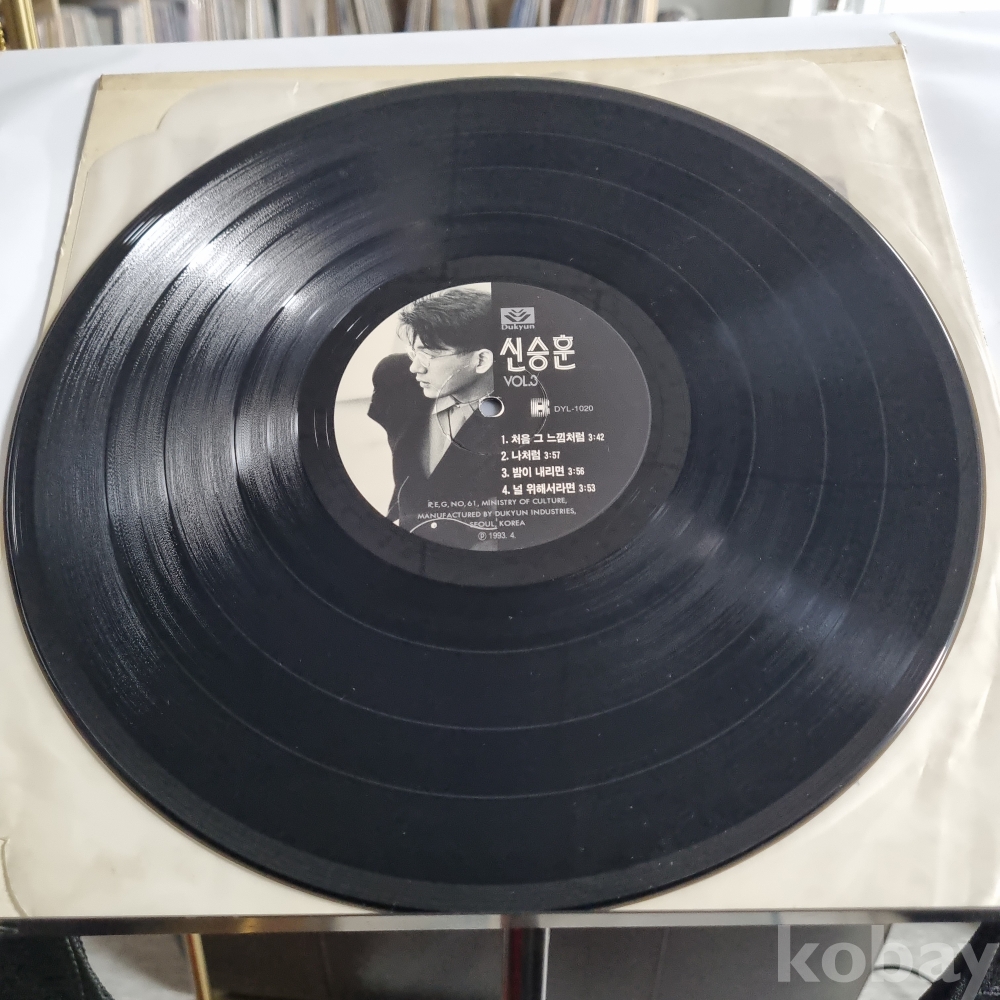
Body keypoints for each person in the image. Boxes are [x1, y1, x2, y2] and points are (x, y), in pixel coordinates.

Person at [368, 287, 497, 536]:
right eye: (414, 351)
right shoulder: (394, 378)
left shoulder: (524, 417)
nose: (415, 367)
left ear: (481, 360)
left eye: (429, 355)